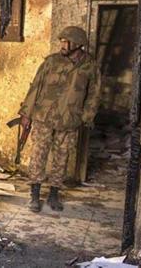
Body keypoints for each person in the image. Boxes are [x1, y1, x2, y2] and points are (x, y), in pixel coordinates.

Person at [18, 26, 101, 212]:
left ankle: (54, 195)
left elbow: (94, 94)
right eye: (62, 41)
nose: (63, 45)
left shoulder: (90, 66)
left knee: (62, 157)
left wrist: (86, 117)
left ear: (78, 44)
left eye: (66, 41)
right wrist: (26, 114)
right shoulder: (51, 62)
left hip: (69, 120)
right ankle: (34, 195)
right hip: (44, 116)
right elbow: (35, 87)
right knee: (38, 155)